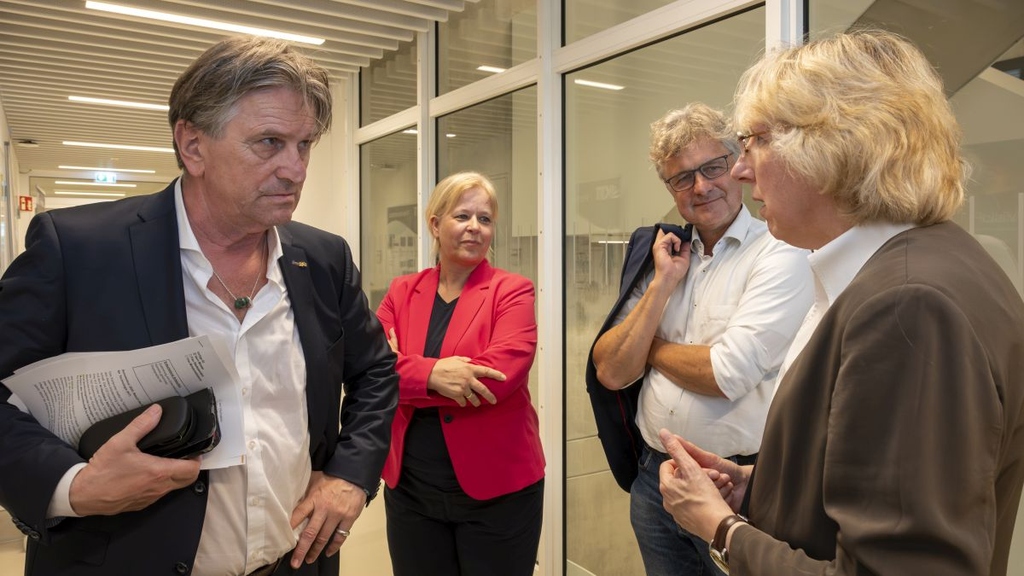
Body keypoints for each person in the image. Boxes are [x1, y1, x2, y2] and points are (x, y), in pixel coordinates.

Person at [0, 36, 398, 576]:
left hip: (295, 561)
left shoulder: (321, 259)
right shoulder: (79, 251)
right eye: (269, 142)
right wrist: (73, 487)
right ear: (192, 145)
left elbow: (375, 370)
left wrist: (351, 474)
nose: (296, 169)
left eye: (304, 144)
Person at [658, 29, 1024, 576]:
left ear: (831, 145)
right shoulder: (925, 262)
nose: (740, 168)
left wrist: (723, 530)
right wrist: (763, 485)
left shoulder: (907, 307)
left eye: (755, 140)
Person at [588, 102, 813, 576]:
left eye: (713, 167)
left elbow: (727, 372)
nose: (701, 186)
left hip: (736, 485)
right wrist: (662, 284)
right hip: (655, 480)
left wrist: (649, 349)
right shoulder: (663, 251)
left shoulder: (781, 251)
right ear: (670, 189)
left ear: (738, 165)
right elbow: (610, 370)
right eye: (681, 178)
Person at [376, 171, 544, 576]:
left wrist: (405, 373)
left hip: (498, 491)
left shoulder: (512, 290)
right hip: (411, 488)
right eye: (463, 216)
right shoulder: (403, 291)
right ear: (435, 224)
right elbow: (370, 368)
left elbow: (496, 379)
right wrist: (435, 375)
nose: (475, 228)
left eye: (484, 219)